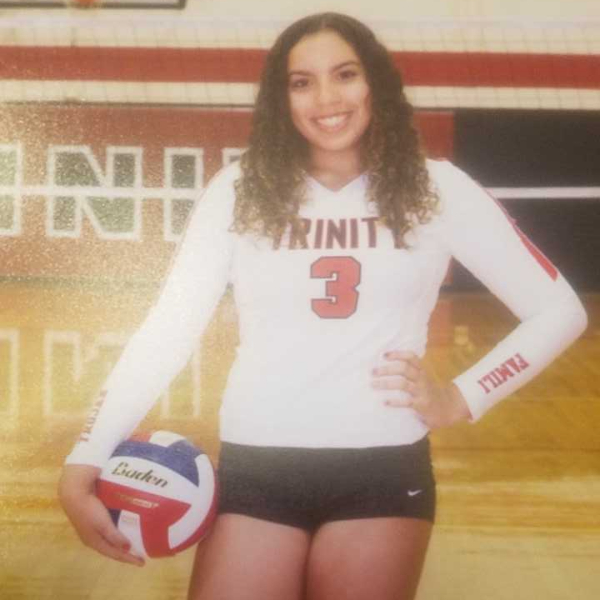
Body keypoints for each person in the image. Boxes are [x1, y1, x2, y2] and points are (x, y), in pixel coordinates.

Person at [58, 12, 587, 600]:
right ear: (280, 98)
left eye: (345, 74)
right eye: (302, 82)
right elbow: (168, 331)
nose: (327, 99)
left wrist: (461, 397)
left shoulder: (437, 188)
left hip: (381, 469)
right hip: (257, 465)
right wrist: (88, 453)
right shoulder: (238, 190)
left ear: (375, 82)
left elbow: (559, 311)